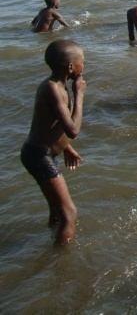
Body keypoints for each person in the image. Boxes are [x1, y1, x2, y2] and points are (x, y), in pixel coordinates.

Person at [20, 39, 85, 245]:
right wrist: (80, 94)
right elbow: (73, 129)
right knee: (70, 213)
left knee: (57, 210)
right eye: (82, 62)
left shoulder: (57, 85)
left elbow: (50, 125)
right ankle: (62, 262)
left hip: (38, 153)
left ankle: (51, 248)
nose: (84, 66)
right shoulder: (53, 89)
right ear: (70, 67)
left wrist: (66, 147)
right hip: (39, 156)